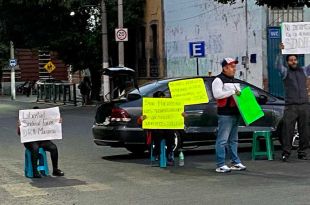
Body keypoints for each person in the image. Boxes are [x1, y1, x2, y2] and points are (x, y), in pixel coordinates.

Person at [276, 43, 310, 162]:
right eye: (291, 60)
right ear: (287, 62)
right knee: (288, 130)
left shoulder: (304, 71)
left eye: (295, 59)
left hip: (304, 105)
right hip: (291, 106)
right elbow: (278, 65)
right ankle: (286, 153)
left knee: (305, 130)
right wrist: (280, 52)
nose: (293, 61)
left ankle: (303, 152)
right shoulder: (285, 72)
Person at [211, 57, 246, 173]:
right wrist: (232, 92)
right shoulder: (218, 80)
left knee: (234, 140)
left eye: (234, 66)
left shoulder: (234, 80)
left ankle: (235, 162)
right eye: (231, 66)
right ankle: (220, 164)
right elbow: (217, 95)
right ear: (225, 68)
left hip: (236, 113)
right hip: (225, 114)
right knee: (222, 140)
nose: (234, 69)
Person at [18, 106, 64, 178]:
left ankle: (55, 169)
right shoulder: (27, 120)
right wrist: (20, 126)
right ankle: (34, 171)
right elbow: (19, 133)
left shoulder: (44, 120)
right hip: (30, 141)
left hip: (42, 140)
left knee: (53, 148)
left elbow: (52, 125)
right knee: (35, 148)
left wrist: (57, 121)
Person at [138, 91, 176, 165]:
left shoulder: (169, 107)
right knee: (158, 132)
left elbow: (176, 117)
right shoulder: (150, 107)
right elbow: (139, 122)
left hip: (167, 129)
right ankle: (157, 152)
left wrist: (182, 116)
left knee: (170, 134)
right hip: (155, 130)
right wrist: (142, 119)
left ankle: (169, 153)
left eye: (163, 98)